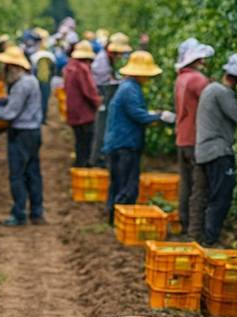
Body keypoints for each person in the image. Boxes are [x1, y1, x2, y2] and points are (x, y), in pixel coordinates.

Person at [193, 54, 237, 247]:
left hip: (203, 150)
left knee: (208, 195)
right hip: (218, 152)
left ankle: (203, 236)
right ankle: (211, 239)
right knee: (221, 197)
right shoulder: (223, 92)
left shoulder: (210, 88)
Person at [102, 51, 175, 223]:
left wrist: (153, 114)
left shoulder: (129, 87)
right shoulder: (130, 89)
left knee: (118, 183)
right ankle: (121, 220)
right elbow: (138, 115)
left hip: (120, 142)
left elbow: (135, 112)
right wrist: (160, 117)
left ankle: (114, 218)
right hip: (125, 144)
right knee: (126, 186)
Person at [0, 46, 45, 226]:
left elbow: (11, 113)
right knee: (33, 172)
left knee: (17, 174)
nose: (4, 71)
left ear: (13, 67)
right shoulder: (31, 81)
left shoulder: (21, 85)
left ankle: (19, 214)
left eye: (6, 67)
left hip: (22, 133)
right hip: (34, 132)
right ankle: (37, 212)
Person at [173, 38, 214, 234]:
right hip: (196, 138)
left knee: (186, 183)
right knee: (200, 186)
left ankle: (183, 221)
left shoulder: (181, 78)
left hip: (182, 137)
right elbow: (213, 99)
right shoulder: (197, 79)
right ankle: (195, 230)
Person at [90, 32, 132, 167]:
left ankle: (101, 156)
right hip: (103, 96)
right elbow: (103, 82)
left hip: (106, 95)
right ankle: (97, 158)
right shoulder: (102, 61)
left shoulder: (108, 58)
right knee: (102, 127)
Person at [63, 40, 101, 167]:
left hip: (73, 110)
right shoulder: (82, 68)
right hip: (83, 113)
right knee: (85, 142)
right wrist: (98, 102)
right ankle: (82, 166)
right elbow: (89, 91)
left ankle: (79, 164)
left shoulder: (69, 66)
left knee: (79, 141)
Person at [25, 28, 55, 123]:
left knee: (37, 99)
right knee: (43, 99)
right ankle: (42, 119)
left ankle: (39, 118)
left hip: (38, 80)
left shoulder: (34, 53)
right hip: (45, 80)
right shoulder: (47, 53)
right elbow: (54, 68)